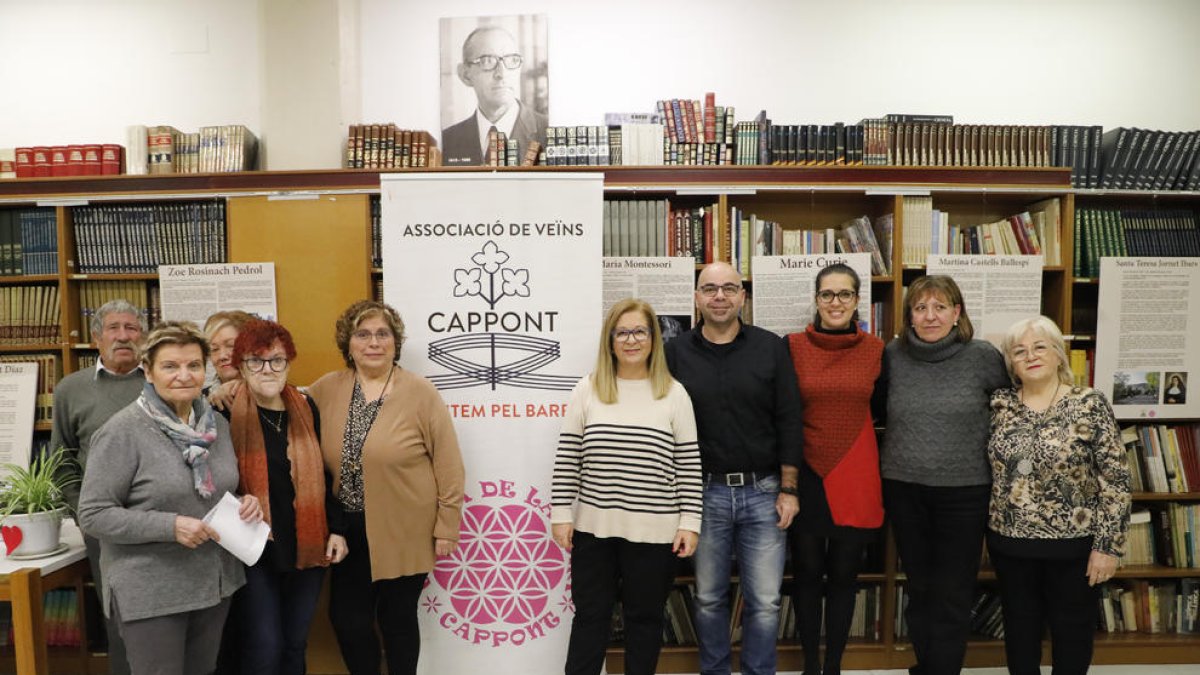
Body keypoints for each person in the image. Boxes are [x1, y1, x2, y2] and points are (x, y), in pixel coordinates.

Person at [77, 321, 263, 675]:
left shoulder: (215, 426)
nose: (184, 375)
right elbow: (94, 514)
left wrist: (243, 501)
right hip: (151, 593)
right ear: (148, 371)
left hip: (213, 583)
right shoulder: (121, 431)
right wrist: (170, 526)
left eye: (193, 365)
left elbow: (214, 488)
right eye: (170, 366)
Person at [308, 300, 465, 675]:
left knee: (397, 620)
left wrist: (447, 524)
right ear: (348, 344)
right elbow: (279, 402)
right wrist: (227, 390)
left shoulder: (420, 392)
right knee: (348, 620)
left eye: (383, 334)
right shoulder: (326, 389)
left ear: (396, 342)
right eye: (363, 335)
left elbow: (449, 462)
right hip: (345, 530)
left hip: (406, 526)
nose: (373, 343)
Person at [664, 261, 804, 675]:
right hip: (702, 494)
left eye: (729, 288)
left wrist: (790, 489)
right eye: (710, 288)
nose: (719, 296)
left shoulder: (771, 347)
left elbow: (789, 418)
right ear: (696, 297)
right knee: (708, 597)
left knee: (764, 601)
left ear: (743, 296)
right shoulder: (675, 353)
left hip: (764, 492)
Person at [551, 298, 703, 675]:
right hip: (593, 530)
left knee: (645, 620)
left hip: (655, 533)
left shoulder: (674, 393)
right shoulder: (587, 389)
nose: (631, 340)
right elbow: (568, 457)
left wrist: (690, 522)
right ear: (610, 340)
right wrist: (559, 513)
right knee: (591, 618)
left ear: (653, 339)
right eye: (623, 332)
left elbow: (688, 464)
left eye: (640, 331)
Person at [875, 275, 1010, 675]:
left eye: (939, 307)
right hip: (904, 487)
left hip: (965, 491)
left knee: (952, 590)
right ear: (909, 316)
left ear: (957, 313)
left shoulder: (983, 356)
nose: (930, 316)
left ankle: (944, 669)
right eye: (921, 308)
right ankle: (926, 663)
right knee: (919, 585)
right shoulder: (893, 355)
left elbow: (1008, 414)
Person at [987, 316, 1130, 675]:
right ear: (1011, 363)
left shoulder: (1089, 402)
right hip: (1010, 543)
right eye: (1019, 351)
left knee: (1072, 633)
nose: (1030, 356)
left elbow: (1116, 479)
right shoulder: (999, 404)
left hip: (1075, 546)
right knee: (1019, 632)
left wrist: (1108, 547)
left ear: (1057, 354)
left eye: (1040, 347)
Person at [224, 320, 348, 674]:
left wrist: (336, 529)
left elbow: (324, 475)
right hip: (253, 549)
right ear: (241, 366)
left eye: (276, 360)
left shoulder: (306, 407)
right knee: (264, 646)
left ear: (289, 362)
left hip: (307, 546)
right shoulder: (223, 410)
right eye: (255, 360)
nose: (267, 369)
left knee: (294, 645)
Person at [785, 264, 884, 675]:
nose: (836, 302)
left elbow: (882, 409)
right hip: (806, 472)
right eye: (827, 294)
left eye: (845, 294)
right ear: (816, 299)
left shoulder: (877, 350)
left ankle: (834, 667)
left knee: (844, 574)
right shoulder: (790, 346)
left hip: (855, 471)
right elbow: (784, 411)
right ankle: (811, 664)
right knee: (807, 574)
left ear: (858, 300)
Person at [50, 298, 147, 675]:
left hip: (163, 522)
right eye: (114, 328)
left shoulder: (162, 381)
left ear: (143, 337)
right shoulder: (70, 390)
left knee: (164, 618)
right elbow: (62, 458)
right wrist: (82, 514)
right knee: (118, 619)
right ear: (96, 339)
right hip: (104, 527)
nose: (123, 336)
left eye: (132, 329)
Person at [442, 25, 548, 166]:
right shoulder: (447, 141)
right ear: (465, 75)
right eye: (487, 61)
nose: (502, 74)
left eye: (512, 60)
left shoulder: (548, 132)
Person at [204, 310, 256, 392]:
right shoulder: (200, 401)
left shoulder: (270, 395)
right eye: (214, 349)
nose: (222, 356)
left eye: (231, 346)